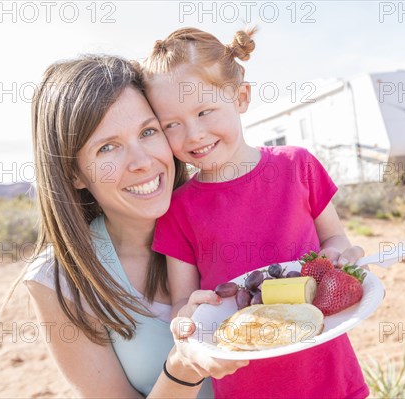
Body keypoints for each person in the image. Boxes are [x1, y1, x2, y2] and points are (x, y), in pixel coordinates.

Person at [142, 28, 370, 398]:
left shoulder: (298, 166)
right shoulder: (178, 209)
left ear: (241, 97)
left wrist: (336, 255)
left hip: (327, 372)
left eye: (204, 111)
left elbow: (334, 237)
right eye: (172, 124)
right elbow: (182, 303)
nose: (194, 133)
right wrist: (187, 318)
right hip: (244, 381)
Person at [22, 54, 247, 398]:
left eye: (148, 131)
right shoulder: (59, 280)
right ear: (73, 173)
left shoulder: (232, 215)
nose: (143, 162)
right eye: (108, 147)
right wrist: (183, 367)